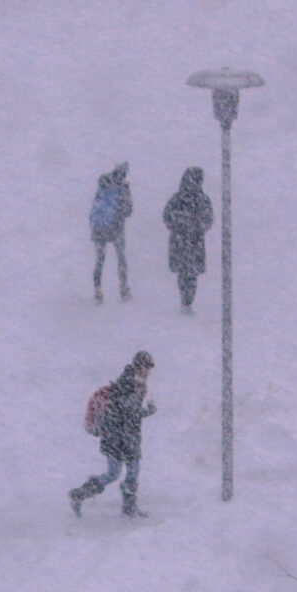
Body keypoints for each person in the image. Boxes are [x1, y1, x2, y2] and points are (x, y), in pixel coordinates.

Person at [70, 351, 156, 519]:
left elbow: (126, 409)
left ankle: (81, 495)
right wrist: (149, 410)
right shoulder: (128, 381)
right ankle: (82, 496)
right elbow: (128, 410)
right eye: (148, 366)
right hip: (120, 435)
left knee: (120, 472)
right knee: (121, 472)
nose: (150, 370)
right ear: (140, 366)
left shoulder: (135, 381)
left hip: (120, 434)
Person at [162, 167, 213, 311]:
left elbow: (166, 217)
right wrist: (196, 227)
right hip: (195, 241)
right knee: (191, 273)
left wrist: (178, 226)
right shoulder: (203, 199)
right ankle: (187, 301)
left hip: (179, 240)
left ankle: (185, 299)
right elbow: (208, 220)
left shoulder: (176, 198)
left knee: (183, 271)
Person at [90, 163, 133, 302]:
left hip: (99, 227)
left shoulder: (103, 183)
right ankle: (124, 289)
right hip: (116, 228)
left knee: (100, 260)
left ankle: (98, 290)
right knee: (121, 259)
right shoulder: (123, 188)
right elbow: (128, 210)